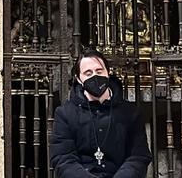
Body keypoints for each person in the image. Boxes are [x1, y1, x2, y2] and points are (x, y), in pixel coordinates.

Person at [50, 48, 152, 177]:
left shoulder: (131, 113)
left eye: (99, 71)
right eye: (88, 73)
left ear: (108, 73)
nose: (95, 76)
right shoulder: (65, 114)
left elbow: (138, 156)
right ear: (79, 79)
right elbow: (63, 158)